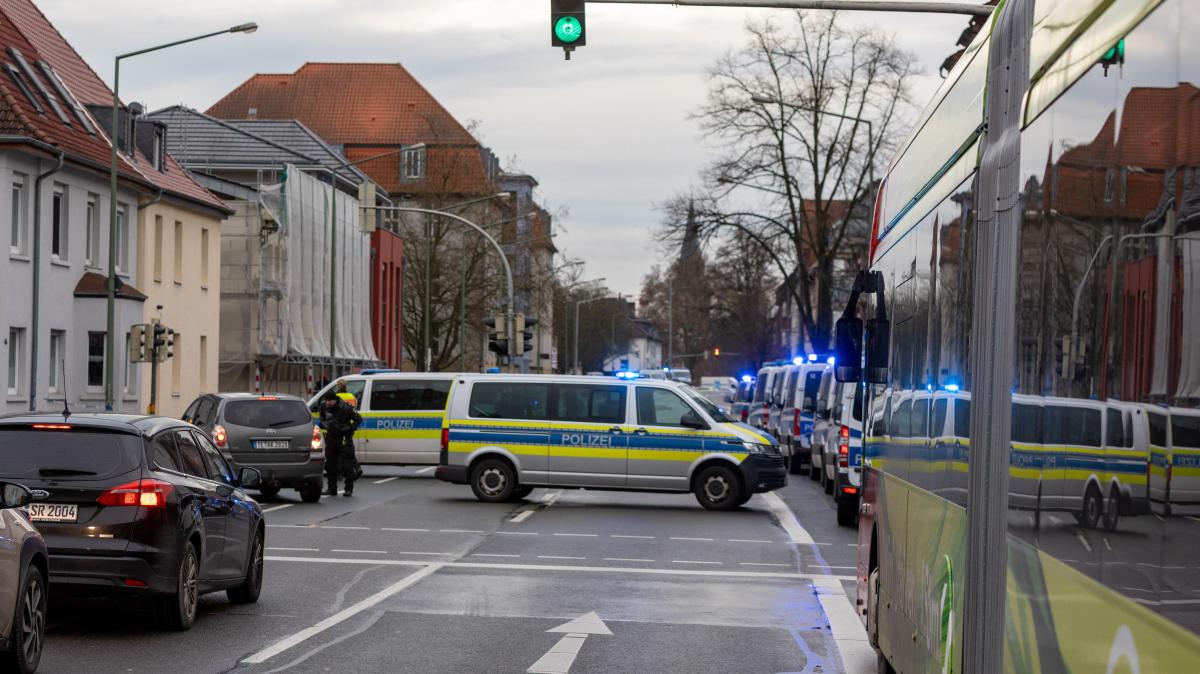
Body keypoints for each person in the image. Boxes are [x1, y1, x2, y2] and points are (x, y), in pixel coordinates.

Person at [319, 391, 362, 496]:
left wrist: (350, 428)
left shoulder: (346, 408)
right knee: (330, 465)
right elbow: (322, 418)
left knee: (346, 465)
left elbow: (358, 419)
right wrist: (325, 425)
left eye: (329, 401)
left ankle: (348, 489)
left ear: (335, 400)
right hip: (331, 438)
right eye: (326, 401)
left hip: (344, 438)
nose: (327, 403)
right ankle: (331, 489)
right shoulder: (324, 407)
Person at [334, 380, 364, 481]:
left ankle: (339, 474)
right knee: (348, 450)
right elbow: (354, 409)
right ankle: (357, 467)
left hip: (340, 426)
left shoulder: (337, 397)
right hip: (349, 425)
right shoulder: (351, 396)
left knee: (338, 450)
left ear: (338, 386)